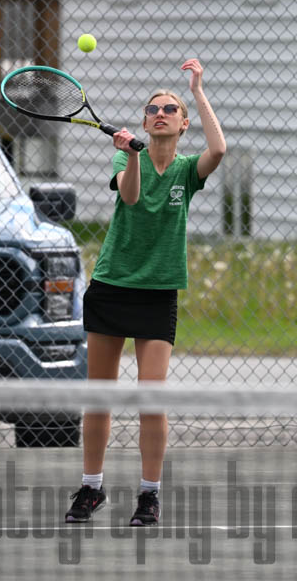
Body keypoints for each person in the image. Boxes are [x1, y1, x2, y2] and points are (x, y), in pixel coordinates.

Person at [64, 58, 227, 527]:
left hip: (157, 294)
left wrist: (196, 91)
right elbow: (131, 196)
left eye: (170, 109)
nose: (160, 113)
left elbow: (219, 149)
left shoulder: (187, 171)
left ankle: (149, 495)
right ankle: (91, 488)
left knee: (151, 397)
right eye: (152, 109)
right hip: (111, 287)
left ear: (182, 124)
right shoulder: (124, 158)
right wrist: (132, 156)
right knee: (100, 395)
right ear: (143, 122)